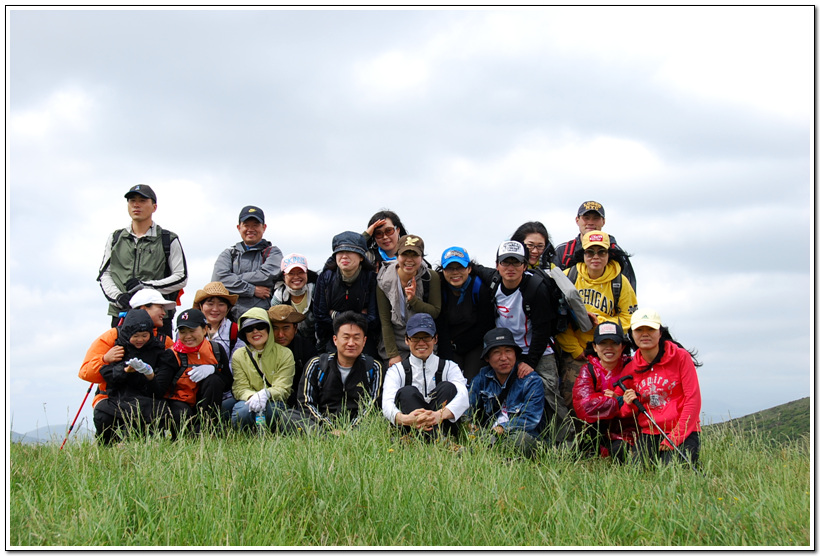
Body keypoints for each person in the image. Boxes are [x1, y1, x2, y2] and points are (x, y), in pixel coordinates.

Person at [472, 241, 567, 441]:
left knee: (549, 392)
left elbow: (543, 330)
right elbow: (477, 269)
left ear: (525, 266)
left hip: (536, 348)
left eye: (516, 263)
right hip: (505, 347)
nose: (511, 268)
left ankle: (565, 442)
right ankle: (490, 431)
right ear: (497, 265)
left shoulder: (535, 289)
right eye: (506, 263)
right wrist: (468, 265)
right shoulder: (494, 281)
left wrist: (530, 362)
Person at [556, 231, 637, 408]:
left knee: (613, 397)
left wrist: (602, 323)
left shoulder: (619, 281)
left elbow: (630, 319)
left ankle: (612, 435)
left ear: (609, 254)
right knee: (571, 399)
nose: (595, 257)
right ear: (582, 254)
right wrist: (576, 350)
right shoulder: (569, 277)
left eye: (601, 252)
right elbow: (558, 320)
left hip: (609, 351)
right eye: (590, 252)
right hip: (578, 350)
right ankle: (574, 436)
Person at [97, 184, 187, 335]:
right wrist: (118, 297)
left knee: (160, 358)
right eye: (132, 200)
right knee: (120, 357)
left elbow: (181, 277)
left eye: (142, 200)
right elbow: (104, 275)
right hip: (122, 314)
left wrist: (146, 286)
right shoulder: (115, 238)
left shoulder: (168, 239)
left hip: (158, 315)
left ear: (154, 206)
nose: (136, 205)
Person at [622, 309, 703, 465]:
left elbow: (692, 400)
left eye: (650, 329)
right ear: (631, 334)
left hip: (683, 432)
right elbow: (626, 410)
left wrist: (674, 438)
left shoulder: (680, 357)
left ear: (660, 333)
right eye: (639, 330)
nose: (645, 334)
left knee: (671, 471)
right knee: (636, 472)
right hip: (649, 432)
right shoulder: (630, 368)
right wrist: (628, 403)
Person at [79, 289, 176, 414]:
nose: (164, 313)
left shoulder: (165, 341)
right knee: (103, 415)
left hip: (149, 401)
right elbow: (85, 373)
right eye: (160, 307)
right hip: (112, 399)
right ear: (143, 309)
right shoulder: (112, 336)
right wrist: (104, 360)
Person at [94, 310, 178, 444]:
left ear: (150, 334)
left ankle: (150, 443)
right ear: (127, 334)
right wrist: (125, 370)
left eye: (144, 335)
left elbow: (160, 389)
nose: (140, 340)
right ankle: (107, 445)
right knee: (101, 412)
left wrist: (150, 375)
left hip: (149, 400)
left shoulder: (160, 350)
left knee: (165, 412)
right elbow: (107, 375)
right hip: (120, 399)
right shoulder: (118, 349)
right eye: (135, 336)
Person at [294, 311, 383, 435]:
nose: (351, 343)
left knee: (382, 418)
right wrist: (328, 427)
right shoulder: (317, 365)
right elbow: (305, 402)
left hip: (359, 427)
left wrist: (351, 430)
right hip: (322, 425)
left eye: (356, 338)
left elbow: (373, 405)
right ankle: (325, 436)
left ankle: (342, 436)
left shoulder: (373, 367)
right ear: (335, 340)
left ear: (364, 341)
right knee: (289, 416)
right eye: (346, 337)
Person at [381, 314, 469, 438]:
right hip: (411, 428)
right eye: (415, 338)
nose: (421, 343)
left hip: (442, 424)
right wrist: (407, 419)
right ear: (407, 340)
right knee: (407, 392)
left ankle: (438, 439)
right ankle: (436, 442)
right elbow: (387, 404)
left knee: (448, 387)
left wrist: (439, 415)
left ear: (435, 339)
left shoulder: (450, 367)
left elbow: (463, 397)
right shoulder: (396, 370)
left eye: (426, 337)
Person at [466, 328, 546, 457]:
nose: (504, 358)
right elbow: (467, 407)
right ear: (487, 358)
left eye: (508, 351)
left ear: (515, 354)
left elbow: (531, 419)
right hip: (488, 435)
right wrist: (470, 427)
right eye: (497, 352)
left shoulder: (531, 381)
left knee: (520, 440)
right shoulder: (482, 377)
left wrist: (502, 429)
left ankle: (487, 454)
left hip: (518, 435)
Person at [160, 309, 233, 437]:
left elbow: (228, 384)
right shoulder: (171, 355)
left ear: (205, 329)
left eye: (192, 331)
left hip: (206, 404)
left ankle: (208, 427)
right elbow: (160, 389)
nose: (188, 336)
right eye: (183, 332)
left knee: (214, 380)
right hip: (179, 403)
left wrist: (213, 369)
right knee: (183, 416)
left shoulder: (216, 349)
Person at [572, 321, 636, 460]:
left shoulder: (633, 366)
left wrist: (603, 400)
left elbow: (642, 399)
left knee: (621, 452)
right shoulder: (588, 370)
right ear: (595, 347)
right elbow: (584, 408)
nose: (609, 348)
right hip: (596, 433)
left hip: (629, 432)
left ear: (622, 346)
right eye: (603, 343)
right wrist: (617, 400)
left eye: (614, 343)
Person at [376, 234, 442, 367]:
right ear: (397, 256)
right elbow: (385, 322)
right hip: (396, 340)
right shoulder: (383, 280)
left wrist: (414, 301)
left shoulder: (430, 277)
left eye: (415, 255)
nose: (409, 260)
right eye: (405, 255)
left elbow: (435, 312)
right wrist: (393, 355)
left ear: (421, 258)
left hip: (423, 338)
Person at [313, 231, 380, 356]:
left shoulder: (371, 279)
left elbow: (373, 319)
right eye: (340, 252)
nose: (344, 256)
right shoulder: (325, 278)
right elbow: (320, 316)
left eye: (349, 251)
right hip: (331, 338)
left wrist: (335, 314)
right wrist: (359, 316)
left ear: (361, 257)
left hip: (364, 339)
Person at [211, 205, 284, 319]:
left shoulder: (273, 253)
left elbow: (267, 275)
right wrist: (252, 290)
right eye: (246, 225)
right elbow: (219, 280)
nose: (251, 229)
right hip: (231, 319)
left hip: (263, 318)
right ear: (238, 227)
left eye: (255, 225)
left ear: (264, 227)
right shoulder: (229, 254)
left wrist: (232, 278)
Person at [229, 307, 296, 431]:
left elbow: (283, 388)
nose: (255, 332)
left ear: (268, 328)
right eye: (249, 329)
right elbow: (240, 387)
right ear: (244, 334)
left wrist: (266, 394)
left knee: (271, 410)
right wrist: (252, 397)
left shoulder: (285, 353)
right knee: (242, 412)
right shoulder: (238, 355)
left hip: (274, 400)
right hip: (248, 400)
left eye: (260, 326)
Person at [434, 246, 495, 382]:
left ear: (469, 268)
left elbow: (486, 324)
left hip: (476, 342)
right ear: (443, 270)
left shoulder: (479, 288)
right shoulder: (440, 289)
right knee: (449, 380)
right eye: (450, 268)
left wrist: (460, 345)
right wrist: (449, 348)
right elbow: (441, 324)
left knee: (472, 381)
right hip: (449, 343)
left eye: (460, 267)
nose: (455, 272)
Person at [552, 201, 636, 291]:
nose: (590, 222)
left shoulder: (616, 252)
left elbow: (629, 290)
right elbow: (550, 285)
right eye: (586, 218)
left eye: (595, 218)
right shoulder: (563, 251)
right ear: (577, 220)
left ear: (603, 221)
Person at [191, 281, 245, 420]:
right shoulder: (188, 331)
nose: (215, 309)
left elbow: (236, 368)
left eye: (221, 304)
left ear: (227, 308)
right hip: (192, 388)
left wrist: (214, 369)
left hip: (224, 392)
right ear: (201, 306)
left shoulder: (234, 332)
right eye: (210, 303)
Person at [268, 305, 318, 408]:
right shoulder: (263, 349)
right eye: (275, 328)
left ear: (295, 328)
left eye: (286, 328)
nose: (280, 334)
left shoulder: (306, 348)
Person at [270, 253, 318, 342]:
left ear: (307, 273)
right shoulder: (279, 296)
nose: (296, 277)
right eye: (291, 273)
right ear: (284, 276)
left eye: (300, 272)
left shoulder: (317, 290)